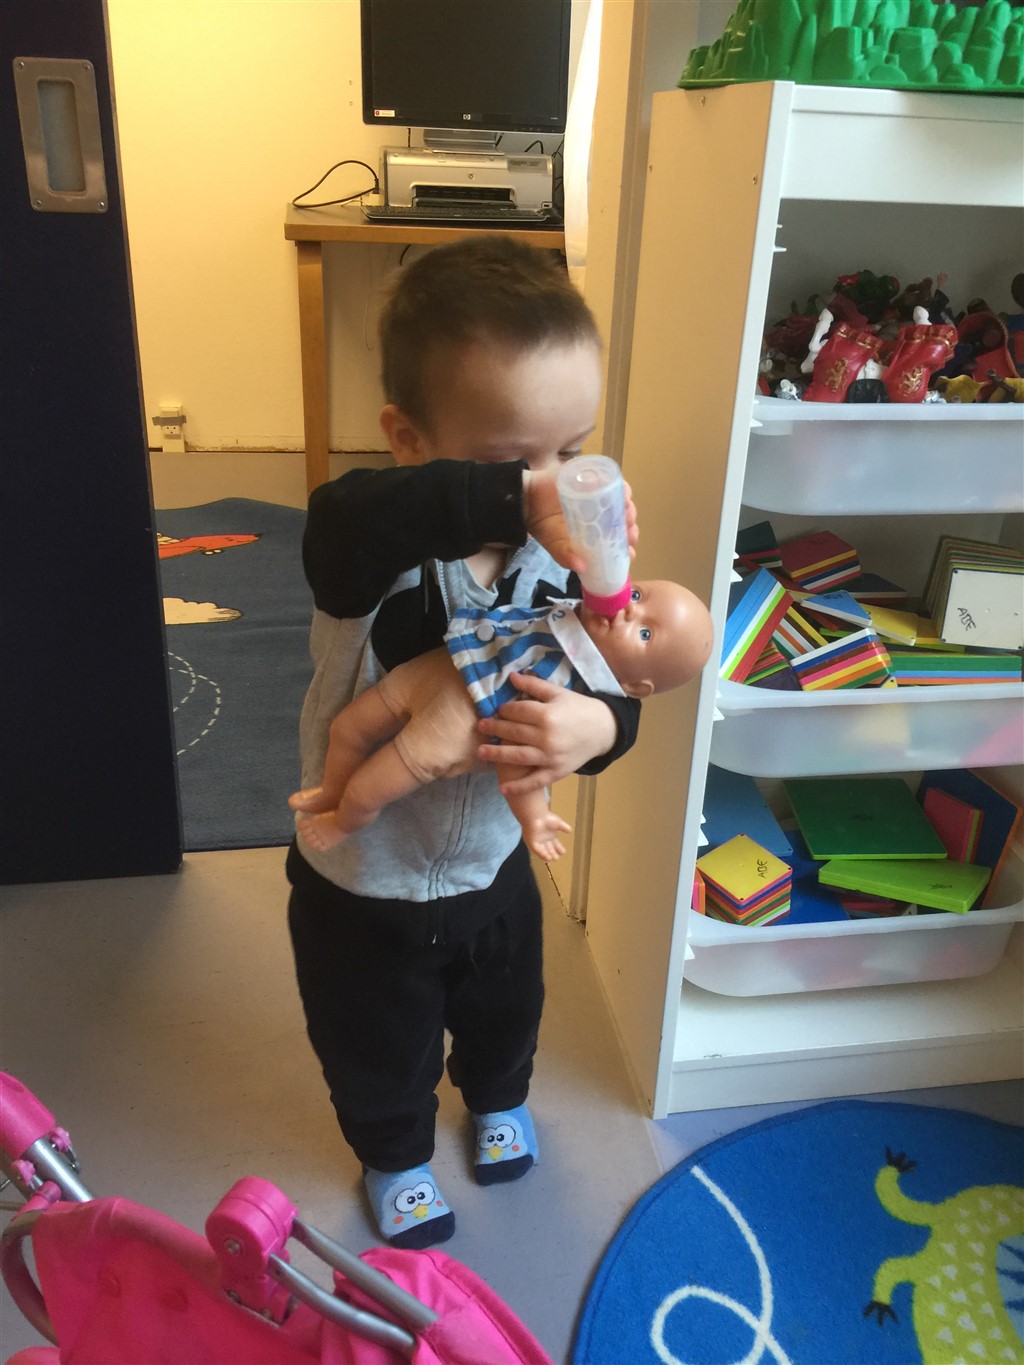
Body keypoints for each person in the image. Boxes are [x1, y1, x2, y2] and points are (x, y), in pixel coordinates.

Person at [287, 234, 651, 1253]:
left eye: (572, 451)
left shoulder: (568, 570)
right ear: (408, 440)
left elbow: (623, 676)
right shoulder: (368, 558)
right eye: (510, 460)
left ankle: (497, 1098)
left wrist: (598, 726)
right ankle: (395, 1153)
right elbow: (338, 519)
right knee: (376, 1039)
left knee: (507, 1009)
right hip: (365, 881)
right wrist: (514, 499)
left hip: (493, 867)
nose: (553, 486)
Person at [290, 580, 713, 862]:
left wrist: (534, 818)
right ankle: (332, 788)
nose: (628, 611)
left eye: (644, 634)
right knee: (346, 728)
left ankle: (345, 819)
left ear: (632, 686)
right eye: (637, 595)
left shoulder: (565, 691)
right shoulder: (575, 609)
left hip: (447, 728)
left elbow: (516, 756)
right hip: (435, 671)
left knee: (368, 790)